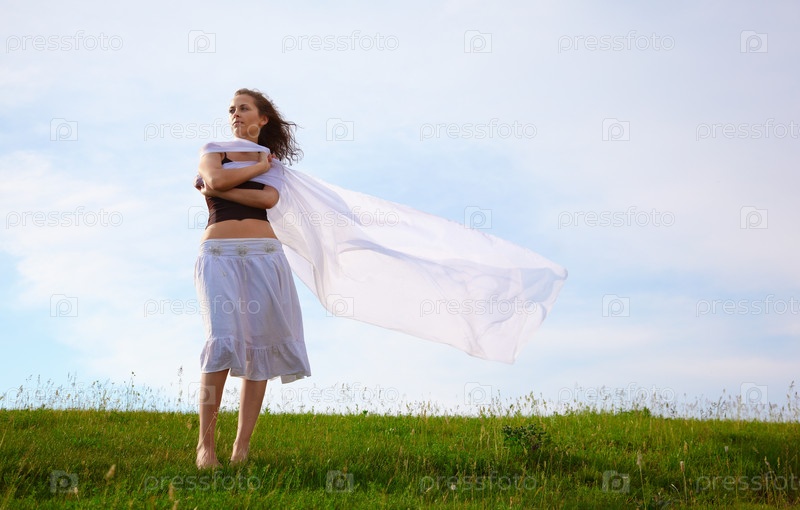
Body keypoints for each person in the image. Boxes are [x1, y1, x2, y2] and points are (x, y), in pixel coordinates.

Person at [193, 88, 310, 469]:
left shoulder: (273, 163)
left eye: (243, 108)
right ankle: (206, 448)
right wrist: (255, 171)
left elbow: (266, 201)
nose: (235, 114)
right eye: (231, 109)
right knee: (221, 341)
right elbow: (214, 178)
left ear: (263, 118)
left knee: (259, 347)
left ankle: (241, 448)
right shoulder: (215, 150)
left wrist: (222, 186)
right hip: (219, 254)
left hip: (265, 255)